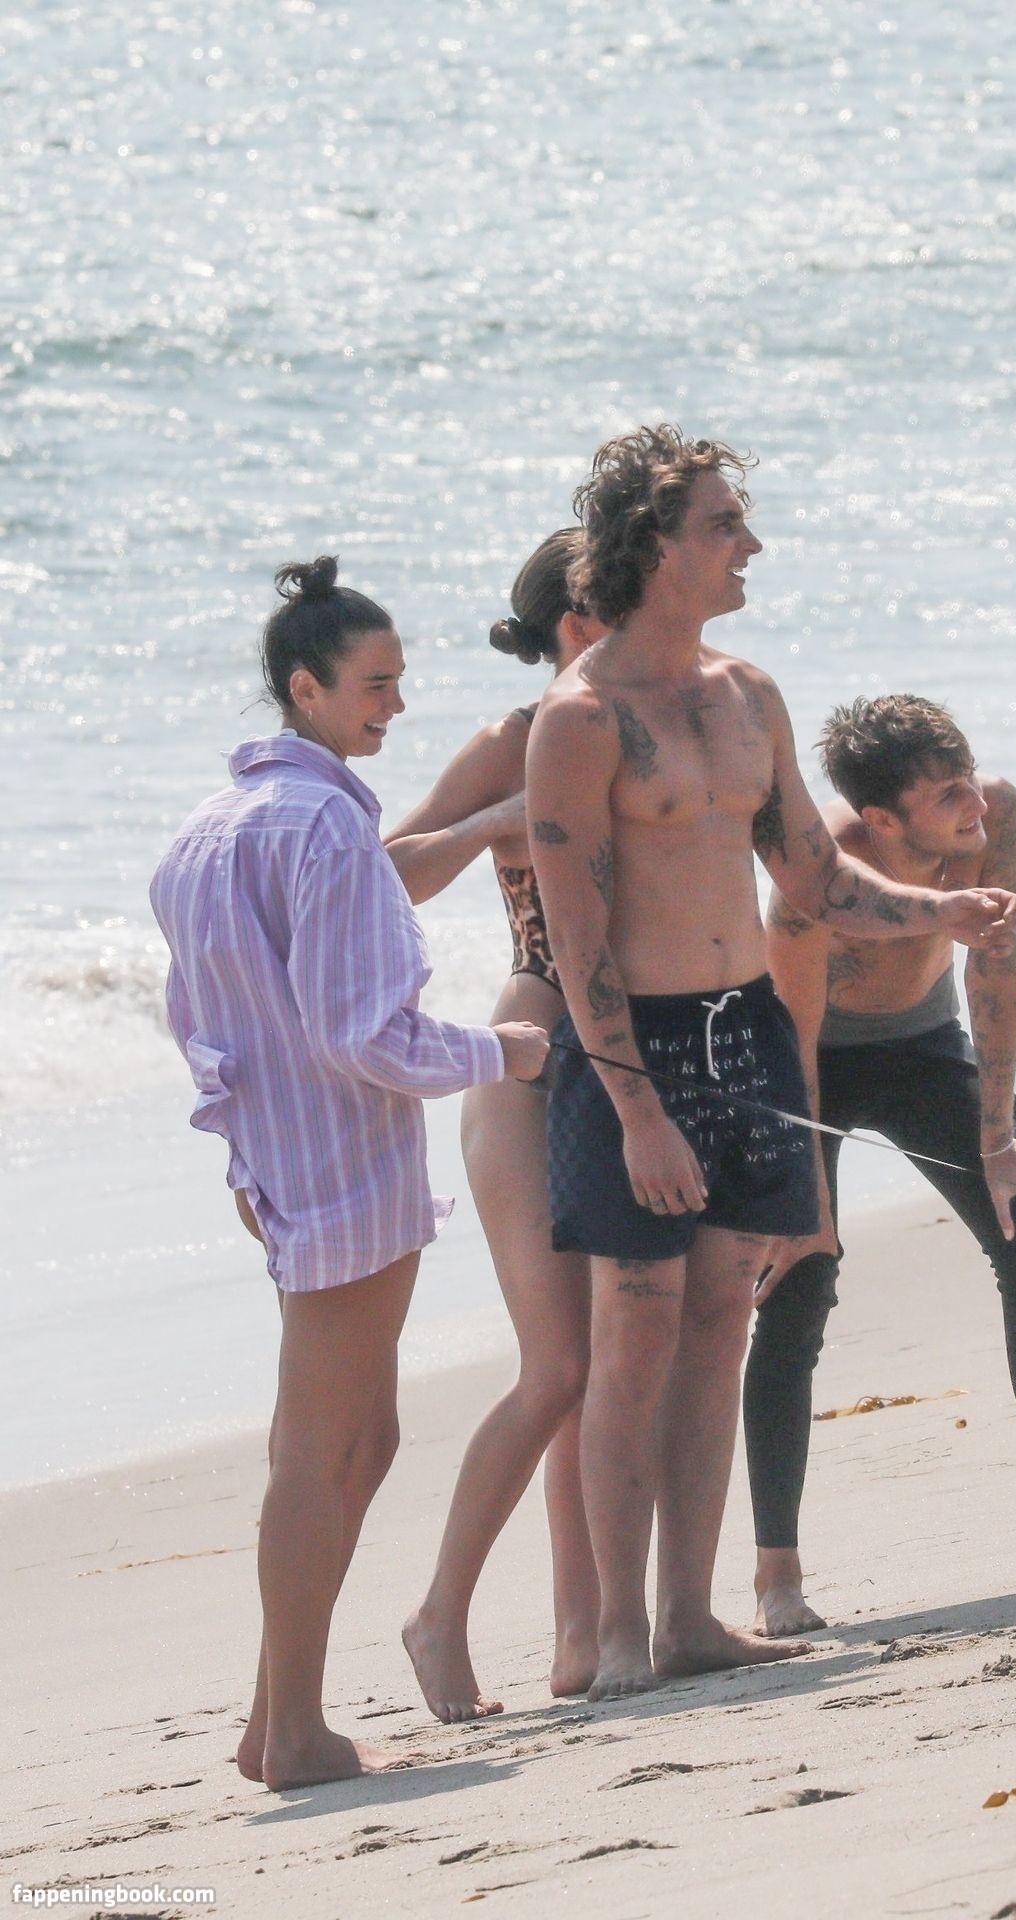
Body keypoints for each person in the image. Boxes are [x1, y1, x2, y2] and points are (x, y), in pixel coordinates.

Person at [525, 426, 1016, 1701]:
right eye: (722, 525)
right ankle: (618, 1635)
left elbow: (809, 872)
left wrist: (937, 912)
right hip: (634, 1051)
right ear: (654, 547)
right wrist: (633, 1109)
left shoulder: (747, 694)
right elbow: (577, 935)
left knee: (715, 1326)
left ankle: (688, 1617)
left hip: (741, 1026)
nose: (749, 544)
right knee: (633, 1333)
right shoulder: (578, 719)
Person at [149, 557, 548, 1790]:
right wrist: (502, 1050)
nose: (396, 705)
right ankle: (294, 1736)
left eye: (399, 681)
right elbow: (361, 1035)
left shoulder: (206, 829)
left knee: (354, 1440)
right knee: (324, 1450)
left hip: (280, 1162)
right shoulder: (321, 823)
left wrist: (244, 1147)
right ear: (304, 688)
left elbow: (198, 1019)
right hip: (341, 1163)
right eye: (374, 686)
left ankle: (275, 1721)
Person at [745, 693, 1016, 1640]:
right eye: (947, 796)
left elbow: (993, 970)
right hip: (807, 1063)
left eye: (968, 779)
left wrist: (997, 1142)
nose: (973, 805)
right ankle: (777, 1576)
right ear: (881, 819)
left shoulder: (997, 816)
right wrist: (801, 1197)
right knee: (800, 1274)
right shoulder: (817, 872)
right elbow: (792, 1037)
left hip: (924, 1046)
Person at [384, 530, 608, 1722]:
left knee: (617, 1358)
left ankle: (584, 1636)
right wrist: (500, 819)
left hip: (648, 1055)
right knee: (557, 1365)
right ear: (575, 621)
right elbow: (381, 871)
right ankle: (437, 1615)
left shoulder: (663, 719)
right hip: (531, 1056)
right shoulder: (513, 737)